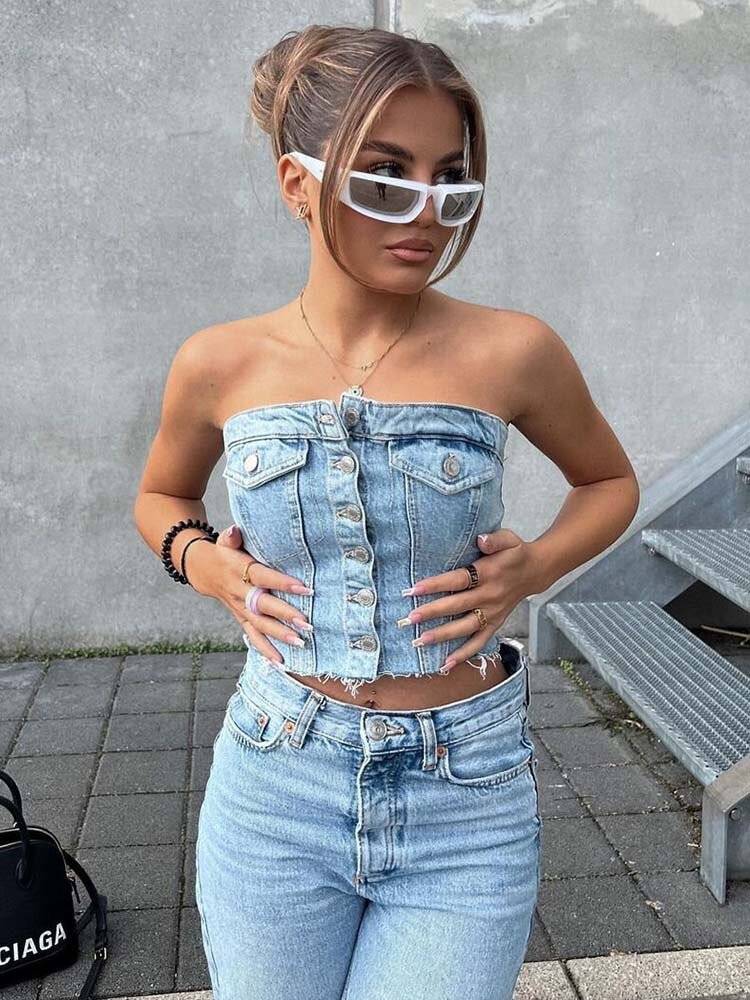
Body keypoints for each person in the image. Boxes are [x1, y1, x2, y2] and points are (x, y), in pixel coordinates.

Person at [133, 24, 639, 1000]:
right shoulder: (221, 361)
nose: (426, 213)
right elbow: (160, 495)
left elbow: (609, 483)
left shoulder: (513, 352)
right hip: (276, 781)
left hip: (466, 793)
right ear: (298, 184)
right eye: (386, 175)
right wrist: (203, 562)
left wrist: (534, 567)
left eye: (451, 180)